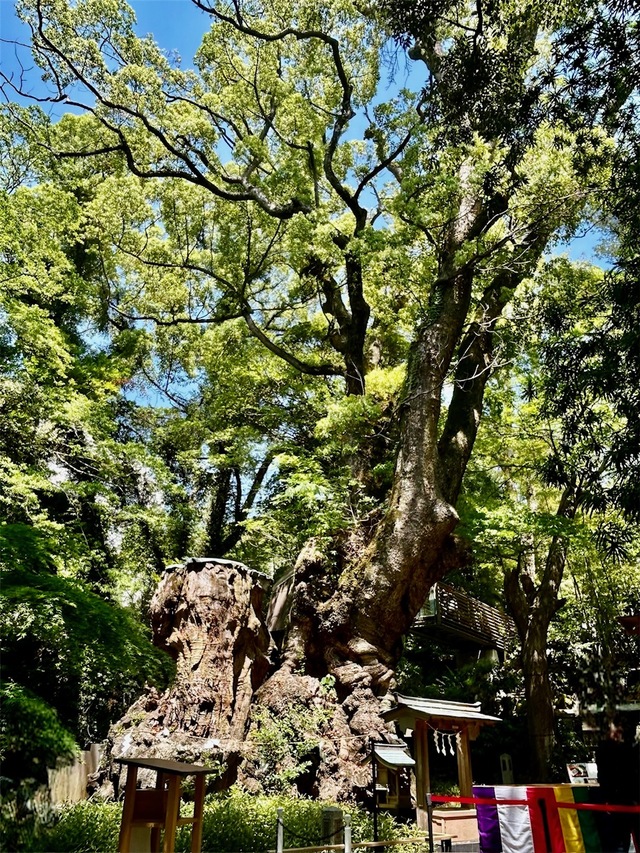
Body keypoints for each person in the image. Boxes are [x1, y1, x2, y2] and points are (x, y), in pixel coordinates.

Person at [594, 717, 636, 853]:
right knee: (618, 840)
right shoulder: (629, 748)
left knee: (617, 840)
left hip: (619, 800)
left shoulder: (609, 748)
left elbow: (605, 776)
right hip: (621, 799)